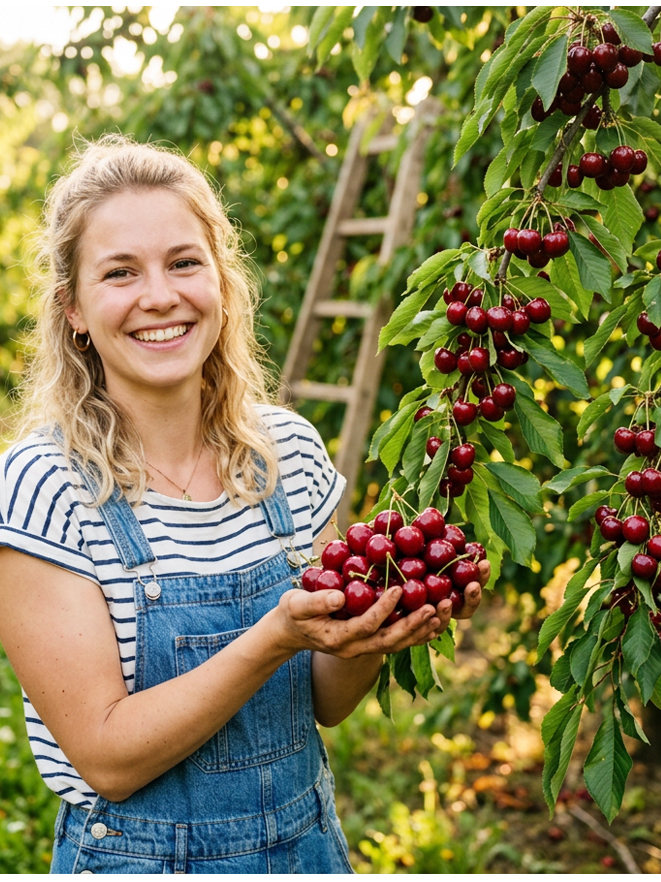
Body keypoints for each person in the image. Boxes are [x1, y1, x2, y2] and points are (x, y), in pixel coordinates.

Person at [0, 136, 486, 874]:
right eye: (121, 272)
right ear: (73, 309)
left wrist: (375, 627)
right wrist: (274, 638)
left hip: (307, 851)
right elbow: (106, 757)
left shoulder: (287, 451)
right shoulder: (45, 485)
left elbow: (325, 702)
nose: (159, 296)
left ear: (222, 283)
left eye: (184, 262)